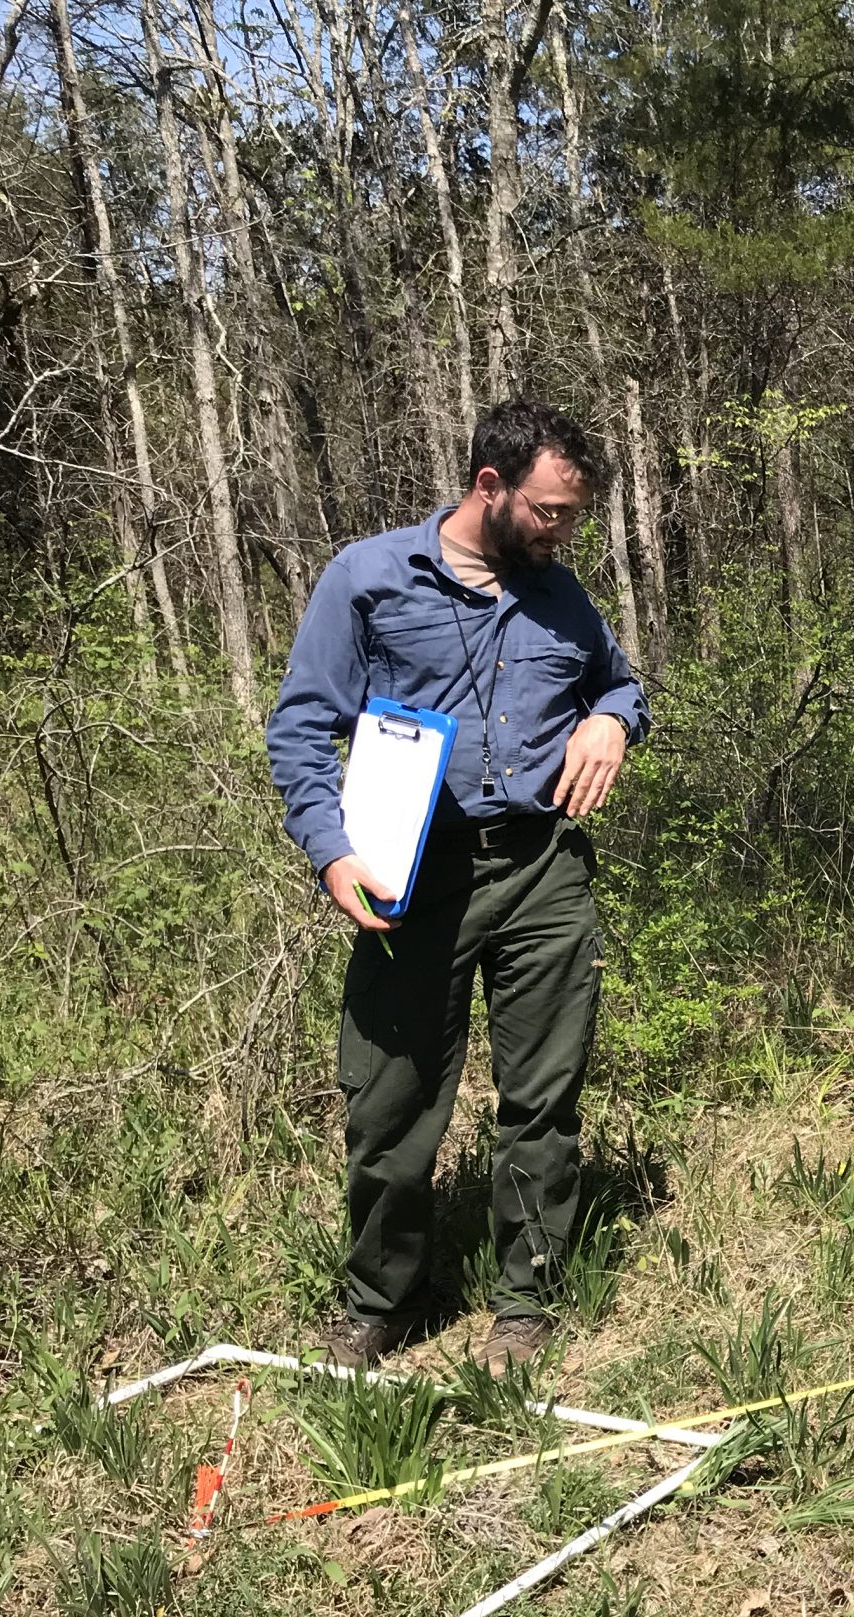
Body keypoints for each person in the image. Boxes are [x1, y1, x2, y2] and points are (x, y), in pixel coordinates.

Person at [267, 398, 647, 1373]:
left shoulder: (560, 595)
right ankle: (380, 1299)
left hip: (543, 869)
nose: (563, 531)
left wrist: (614, 719)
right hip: (411, 871)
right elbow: (303, 726)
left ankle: (525, 1299)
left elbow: (617, 685)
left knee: (542, 1100)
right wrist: (329, 848)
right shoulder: (368, 578)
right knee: (389, 1104)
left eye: (573, 515)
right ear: (489, 486)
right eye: (550, 511)